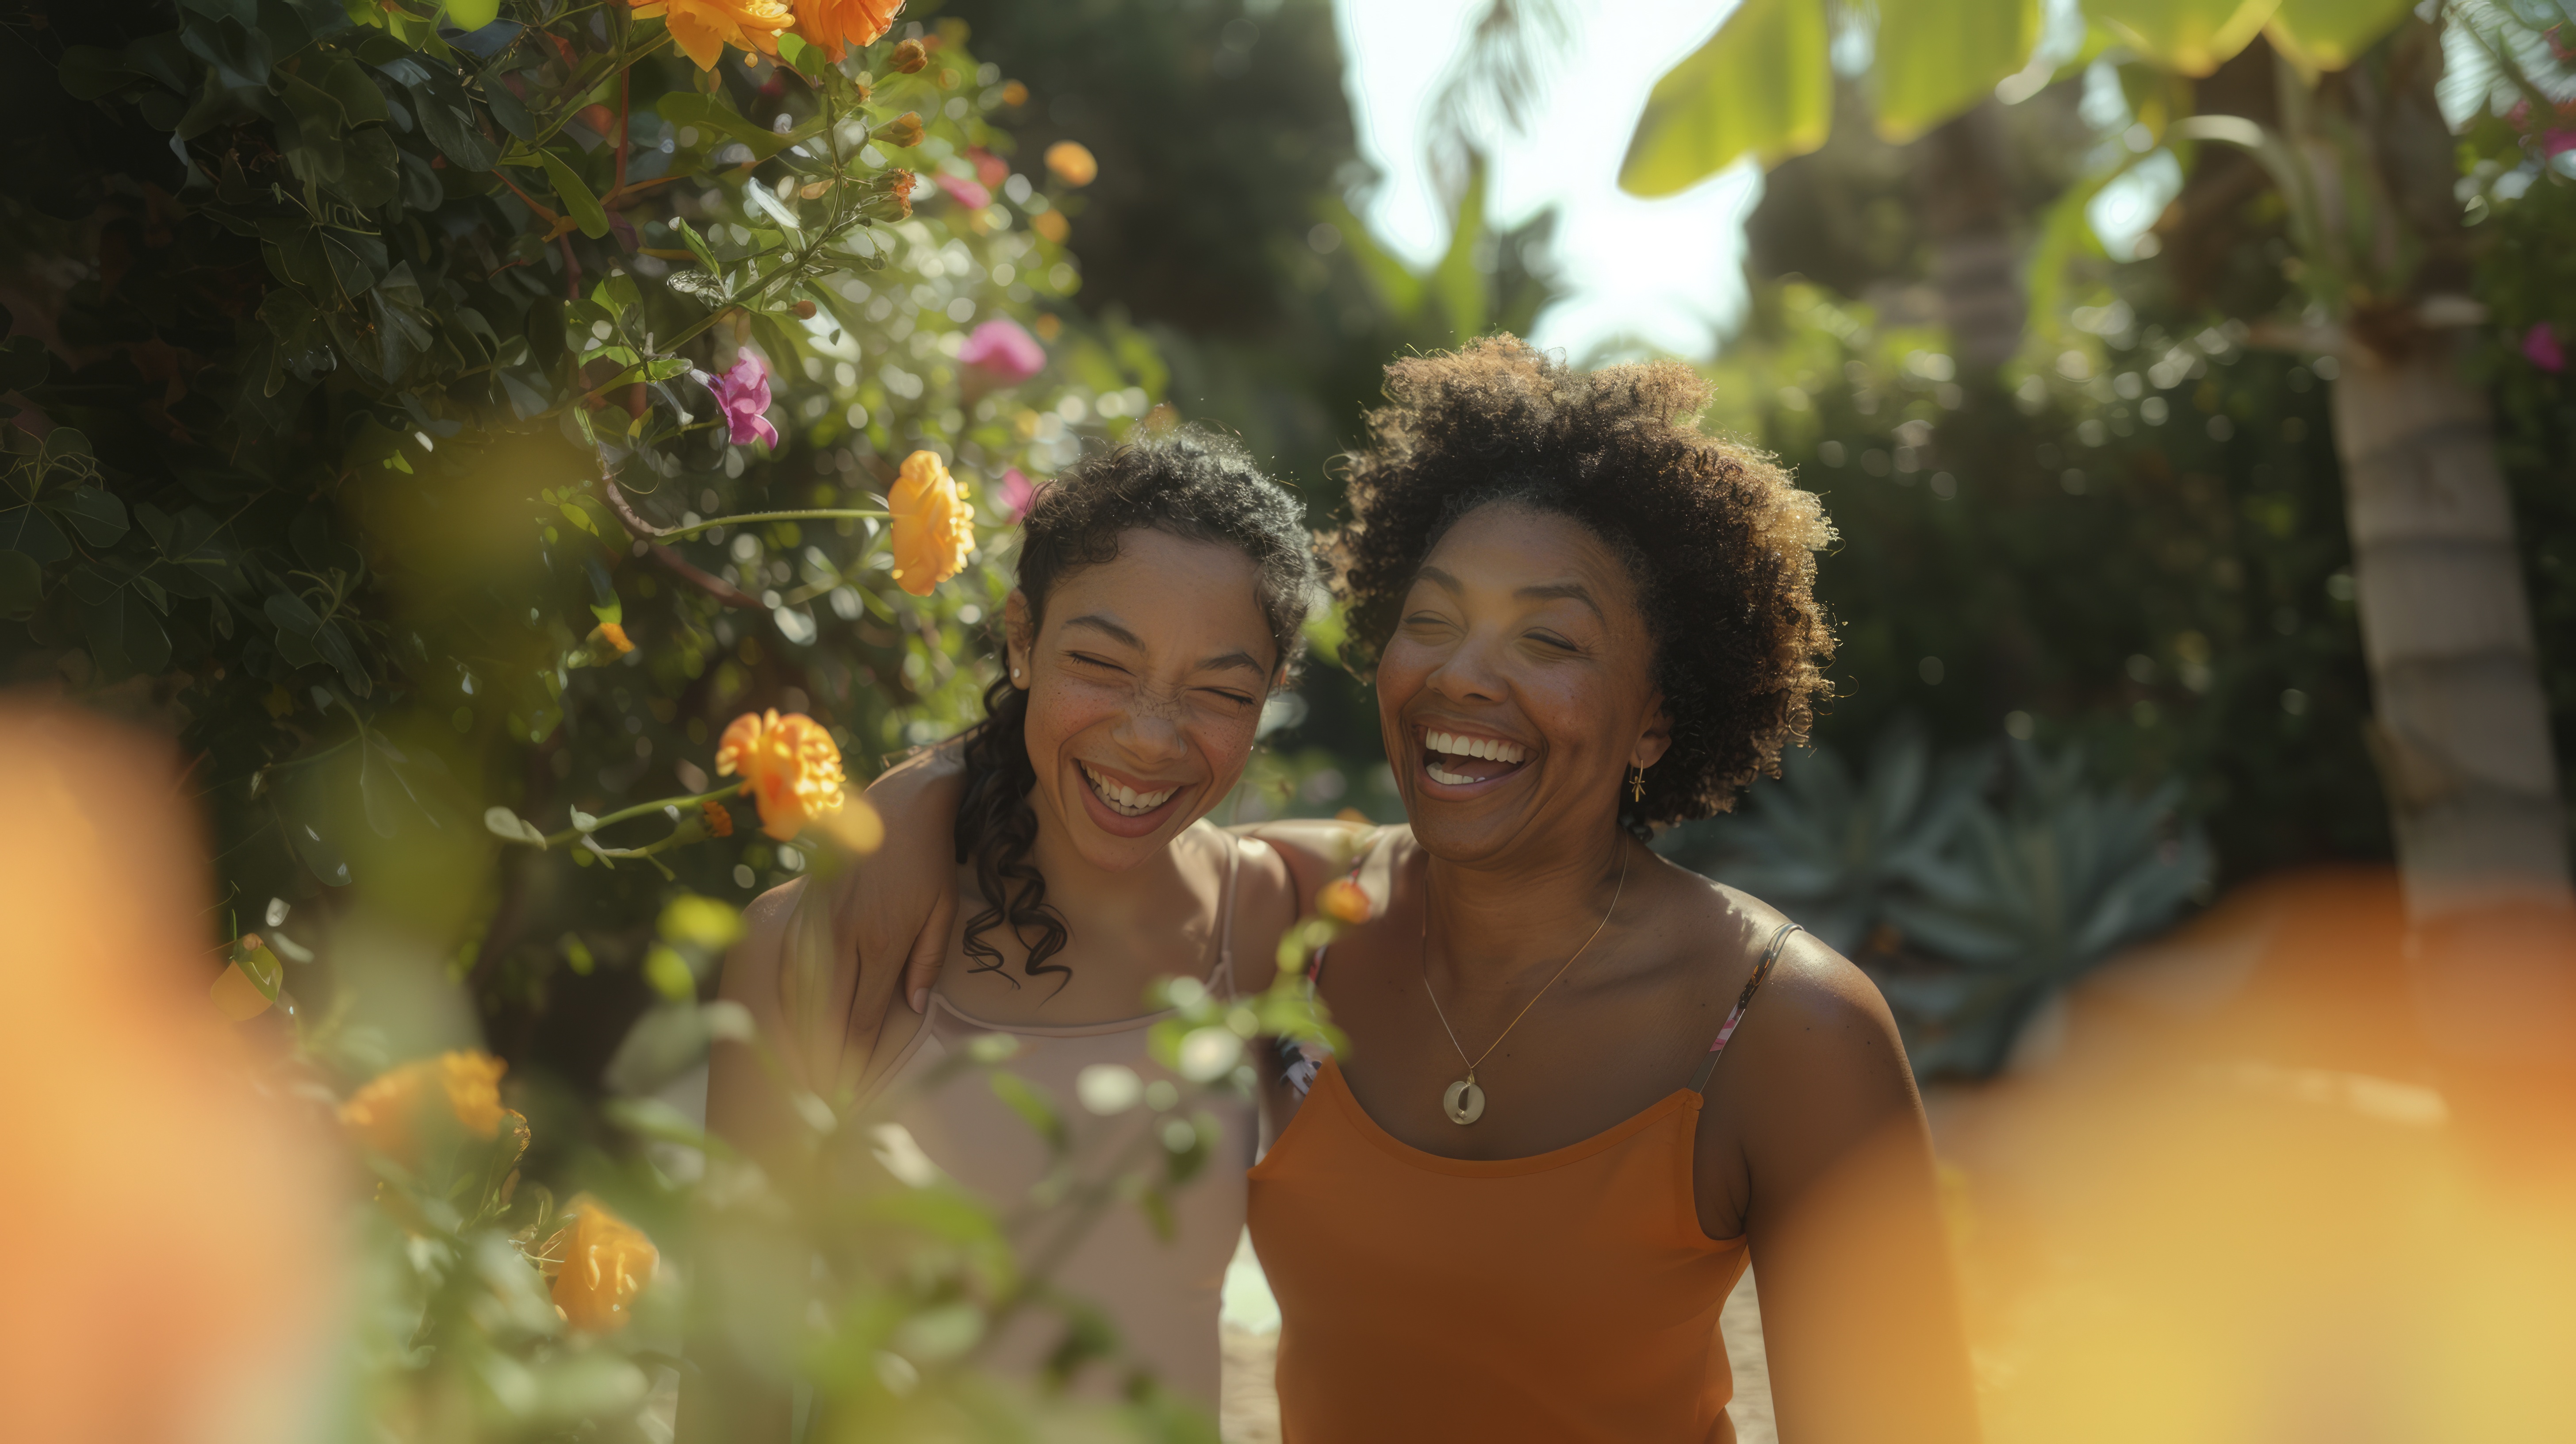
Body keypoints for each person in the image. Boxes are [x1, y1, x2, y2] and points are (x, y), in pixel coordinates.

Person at [857, 337, 1980, 1442]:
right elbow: (1076, 793)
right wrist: (918, 802)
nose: (1462, 675)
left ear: (1656, 717)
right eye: (1431, 621)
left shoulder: (1783, 1027)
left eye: (1549, 639)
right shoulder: (1293, 914)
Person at [686, 426, 1321, 1433]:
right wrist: (928, 787)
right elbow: (734, 1375)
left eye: (1219, 693)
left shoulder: (1269, 915)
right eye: (1101, 665)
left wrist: (925, 782)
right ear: (1022, 639)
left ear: (1270, 694)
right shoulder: (822, 942)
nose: (1149, 737)